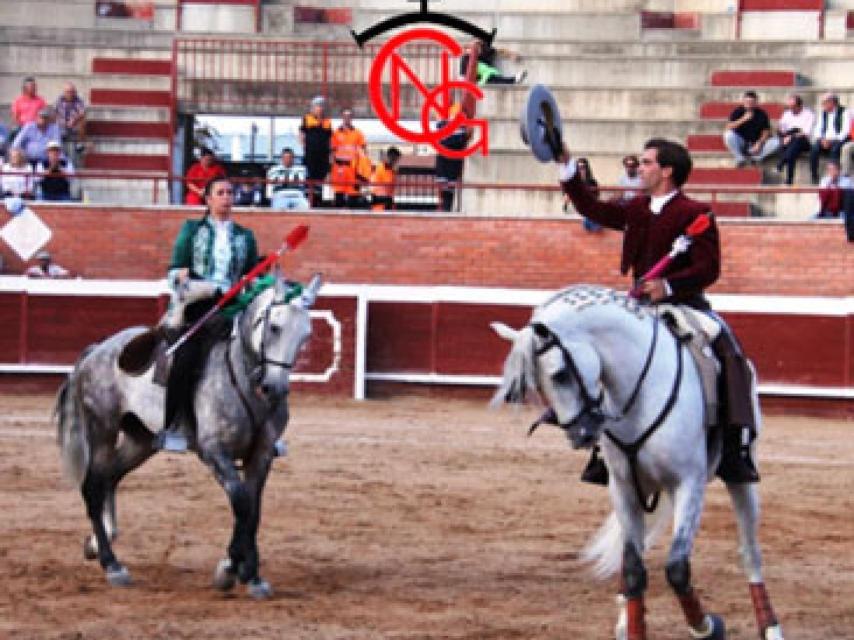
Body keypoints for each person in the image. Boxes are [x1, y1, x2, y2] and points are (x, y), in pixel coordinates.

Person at [559, 137, 760, 486]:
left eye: (647, 162)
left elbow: (708, 269)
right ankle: (602, 446)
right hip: (638, 307)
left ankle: (733, 447)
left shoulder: (696, 213)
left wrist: (668, 286)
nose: (639, 167)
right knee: (601, 356)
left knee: (727, 351)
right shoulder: (636, 208)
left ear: (667, 171)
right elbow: (592, 209)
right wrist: (564, 165)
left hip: (683, 305)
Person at [158, 176, 259, 451]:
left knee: (263, 354)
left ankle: (265, 428)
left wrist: (258, 281)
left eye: (230, 192)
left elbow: (251, 275)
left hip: (235, 305)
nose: (227, 197)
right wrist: (185, 277)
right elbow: (174, 270)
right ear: (208, 199)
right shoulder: (191, 230)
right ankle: (175, 424)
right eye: (220, 192)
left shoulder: (245, 236)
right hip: (201, 303)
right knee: (187, 355)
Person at [723, 90, 779, 167]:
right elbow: (728, 127)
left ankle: (756, 158)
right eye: (747, 101)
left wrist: (759, 143)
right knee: (728, 135)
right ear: (743, 101)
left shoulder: (762, 114)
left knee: (776, 142)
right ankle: (739, 158)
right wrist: (743, 119)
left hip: (756, 144)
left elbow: (766, 131)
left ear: (756, 102)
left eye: (751, 102)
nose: (749, 104)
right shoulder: (738, 111)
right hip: (741, 142)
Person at [774, 94, 815, 185]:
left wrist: (791, 136)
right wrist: (780, 130)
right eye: (789, 107)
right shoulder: (787, 114)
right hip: (789, 140)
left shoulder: (809, 114)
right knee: (791, 151)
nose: (790, 109)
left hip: (804, 141)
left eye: (793, 107)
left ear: (800, 106)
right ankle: (789, 179)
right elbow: (782, 128)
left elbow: (806, 132)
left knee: (795, 140)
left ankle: (781, 163)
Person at [330, 108, 367, 208]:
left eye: (349, 116)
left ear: (352, 118)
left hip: (353, 170)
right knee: (339, 198)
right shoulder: (336, 133)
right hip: (339, 170)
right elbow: (332, 152)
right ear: (342, 118)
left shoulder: (358, 133)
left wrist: (362, 172)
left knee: (353, 198)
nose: (347, 118)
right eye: (345, 116)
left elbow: (363, 153)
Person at [299, 96, 332, 206]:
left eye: (322, 106)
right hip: (311, 153)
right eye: (318, 106)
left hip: (323, 155)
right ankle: (309, 200)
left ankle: (319, 199)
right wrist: (304, 146)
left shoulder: (327, 121)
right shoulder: (307, 119)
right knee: (310, 177)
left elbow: (330, 138)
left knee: (321, 177)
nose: (320, 108)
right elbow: (302, 133)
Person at [809, 93, 849, 184]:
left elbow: (845, 131)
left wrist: (832, 140)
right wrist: (822, 139)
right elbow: (817, 129)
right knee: (814, 148)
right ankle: (814, 176)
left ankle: (833, 176)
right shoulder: (823, 113)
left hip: (838, 139)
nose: (823, 105)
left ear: (832, 102)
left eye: (825, 103)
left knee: (835, 149)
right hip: (824, 139)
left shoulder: (844, 112)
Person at [460, 42, 527, 85]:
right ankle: (513, 80)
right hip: (474, 77)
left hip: (487, 75)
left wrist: (511, 54)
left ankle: (513, 79)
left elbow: (501, 51)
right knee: (465, 57)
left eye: (479, 49)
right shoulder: (467, 55)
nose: (477, 51)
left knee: (492, 77)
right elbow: (464, 48)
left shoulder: (487, 50)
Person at [55, 82, 87, 160]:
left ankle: (80, 143)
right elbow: (55, 113)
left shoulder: (78, 101)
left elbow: (82, 113)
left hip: (74, 125)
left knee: (82, 121)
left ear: (75, 92)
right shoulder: (59, 100)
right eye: (68, 92)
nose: (70, 94)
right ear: (64, 92)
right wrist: (62, 121)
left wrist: (74, 120)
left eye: (72, 92)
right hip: (62, 125)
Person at [370, 146, 401, 211]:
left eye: (396, 160)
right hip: (380, 200)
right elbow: (388, 183)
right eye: (395, 159)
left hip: (386, 199)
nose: (395, 162)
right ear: (390, 157)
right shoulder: (382, 168)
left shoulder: (390, 170)